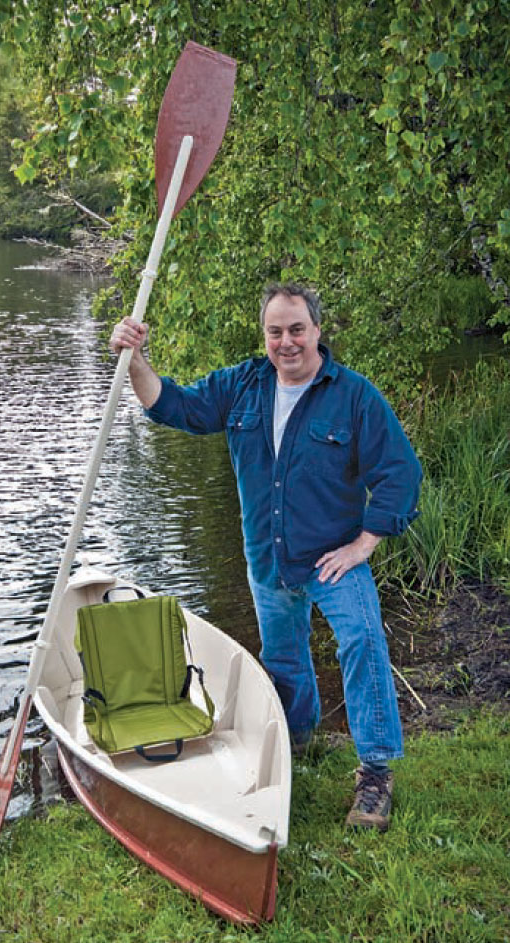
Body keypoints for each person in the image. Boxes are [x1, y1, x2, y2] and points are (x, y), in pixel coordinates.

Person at [110, 283, 422, 831]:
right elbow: (171, 405)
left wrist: (364, 543)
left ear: (318, 331)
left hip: (333, 560)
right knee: (282, 659)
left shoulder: (353, 396)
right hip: (269, 560)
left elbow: (400, 473)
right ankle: (297, 740)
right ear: (265, 335)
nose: (287, 342)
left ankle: (375, 774)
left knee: (363, 644)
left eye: (297, 329)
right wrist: (137, 359)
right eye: (275, 331)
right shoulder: (242, 385)